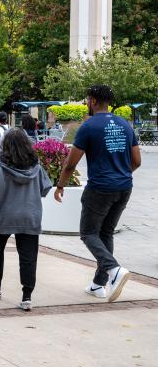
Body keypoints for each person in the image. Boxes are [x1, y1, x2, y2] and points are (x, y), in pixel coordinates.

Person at [55, 85, 141, 302]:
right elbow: (137, 161)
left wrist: (60, 186)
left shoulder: (89, 126)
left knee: (88, 233)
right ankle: (98, 285)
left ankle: (114, 269)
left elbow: (70, 163)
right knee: (106, 233)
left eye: (87, 100)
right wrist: (120, 174)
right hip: (124, 187)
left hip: (100, 188)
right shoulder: (124, 124)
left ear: (92, 101)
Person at [0, 128, 52, 311]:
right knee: (28, 257)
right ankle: (27, 297)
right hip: (30, 215)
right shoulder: (36, 167)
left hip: (3, 215)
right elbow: (46, 188)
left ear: (5, 145)